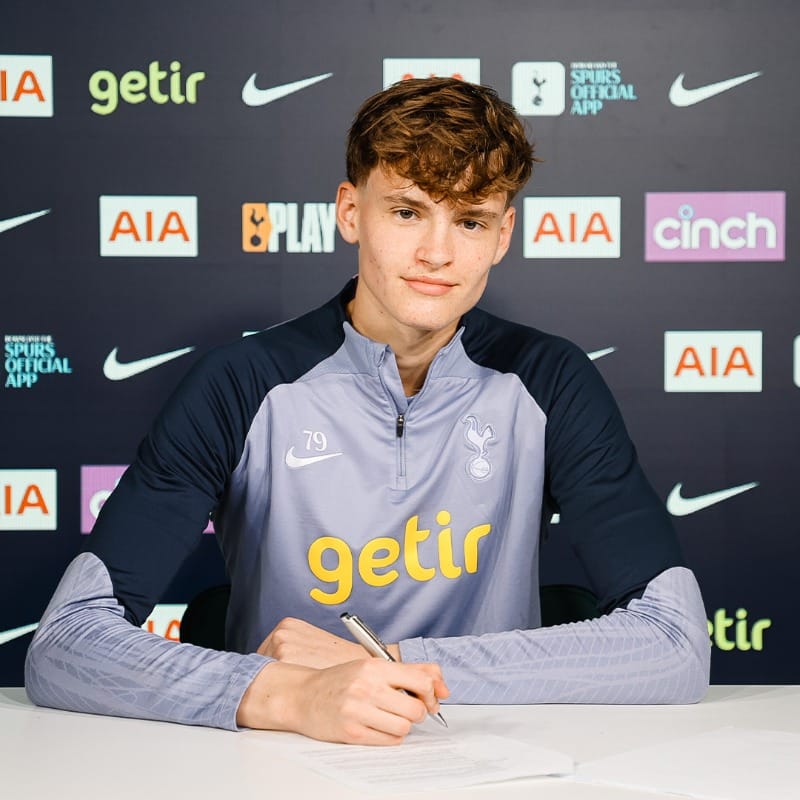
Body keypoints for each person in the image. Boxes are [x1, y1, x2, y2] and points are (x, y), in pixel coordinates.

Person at [25, 77, 710, 746]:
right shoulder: (239, 382)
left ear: (503, 235)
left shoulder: (550, 379)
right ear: (351, 211)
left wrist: (386, 665)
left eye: (470, 220)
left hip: (493, 751)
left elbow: (675, 643)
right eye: (408, 211)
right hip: (281, 759)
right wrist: (291, 694)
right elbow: (65, 645)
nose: (438, 253)